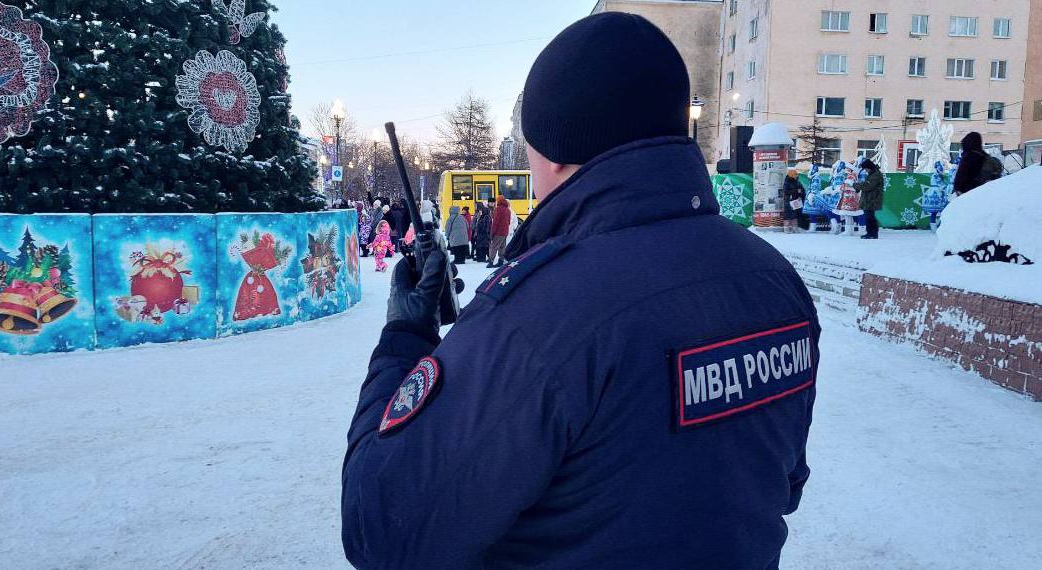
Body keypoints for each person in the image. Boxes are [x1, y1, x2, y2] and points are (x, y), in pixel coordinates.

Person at [342, 13, 819, 569]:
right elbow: (782, 483)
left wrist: (403, 339)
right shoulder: (772, 279)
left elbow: (381, 527)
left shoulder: (540, 317)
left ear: (556, 149)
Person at [855, 158, 885, 239]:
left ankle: (873, 233)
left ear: (869, 167)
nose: (865, 170)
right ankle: (870, 233)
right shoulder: (872, 174)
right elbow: (866, 184)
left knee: (870, 217)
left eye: (866, 169)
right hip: (869, 199)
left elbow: (868, 187)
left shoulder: (876, 175)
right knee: (869, 217)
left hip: (872, 199)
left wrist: (856, 185)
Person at [487, 196, 511, 267]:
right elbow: (509, 222)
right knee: (502, 247)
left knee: (493, 247)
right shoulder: (508, 210)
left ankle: (491, 261)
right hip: (505, 231)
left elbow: (495, 222)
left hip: (498, 232)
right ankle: (501, 260)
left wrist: (492, 232)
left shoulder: (498, 209)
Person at [781, 168, 804, 233]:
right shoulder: (787, 182)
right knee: (788, 213)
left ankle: (794, 228)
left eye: (796, 174)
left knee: (795, 214)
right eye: (795, 174)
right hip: (788, 200)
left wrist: (800, 195)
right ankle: (787, 228)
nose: (796, 176)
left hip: (796, 200)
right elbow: (786, 191)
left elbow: (801, 189)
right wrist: (796, 191)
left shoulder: (797, 182)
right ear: (791, 175)